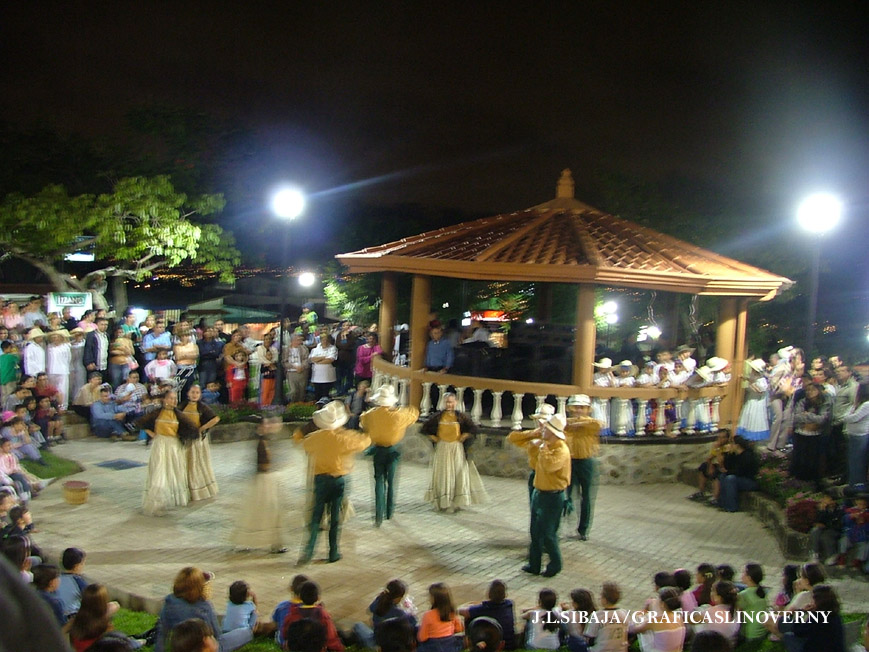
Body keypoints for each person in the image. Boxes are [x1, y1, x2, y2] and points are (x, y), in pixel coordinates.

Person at [298, 401, 371, 564]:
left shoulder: (314, 438)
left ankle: (309, 551)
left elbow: (306, 446)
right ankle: (333, 552)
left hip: (320, 480)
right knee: (335, 518)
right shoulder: (346, 438)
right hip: (339, 480)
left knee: (317, 516)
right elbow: (365, 441)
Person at [360, 384, 419, 526]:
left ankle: (378, 515)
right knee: (391, 481)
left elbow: (363, 421)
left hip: (378, 450)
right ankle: (389, 511)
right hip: (393, 450)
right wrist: (398, 408)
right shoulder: (398, 415)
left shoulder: (370, 415)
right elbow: (414, 413)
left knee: (379, 481)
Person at [153, 567, 252, 652]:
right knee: (245, 632)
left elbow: (162, 634)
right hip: (206, 646)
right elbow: (216, 634)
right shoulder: (204, 606)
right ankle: (253, 627)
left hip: (183, 645)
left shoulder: (169, 603)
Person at [231, 415, 289, 553]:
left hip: (268, 479)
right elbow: (265, 462)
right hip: (264, 480)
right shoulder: (262, 442)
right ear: (259, 427)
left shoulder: (267, 440)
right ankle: (270, 542)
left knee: (269, 512)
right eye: (265, 424)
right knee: (266, 511)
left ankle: (275, 543)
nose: (268, 426)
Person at [522, 414, 571, 577]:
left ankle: (555, 565)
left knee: (549, 534)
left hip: (553, 497)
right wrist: (535, 446)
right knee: (535, 531)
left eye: (546, 429)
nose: (542, 430)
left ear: (553, 433)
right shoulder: (546, 445)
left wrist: (543, 449)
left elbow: (550, 466)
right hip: (539, 493)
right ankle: (534, 565)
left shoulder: (561, 449)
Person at [422, 392, 488, 512]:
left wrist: (464, 435)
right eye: (447, 402)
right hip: (443, 449)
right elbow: (425, 429)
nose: (449, 404)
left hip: (456, 448)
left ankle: (454, 502)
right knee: (443, 474)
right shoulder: (438, 417)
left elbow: (473, 428)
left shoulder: (460, 417)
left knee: (456, 473)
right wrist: (434, 438)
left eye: (451, 402)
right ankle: (442, 501)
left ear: (455, 403)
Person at [138, 391, 198, 516]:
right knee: (159, 471)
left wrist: (182, 438)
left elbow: (192, 429)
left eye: (175, 398)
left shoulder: (179, 415)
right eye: (171, 398)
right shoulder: (157, 413)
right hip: (160, 444)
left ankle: (166, 501)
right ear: (165, 400)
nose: (173, 401)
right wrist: (152, 434)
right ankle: (155, 502)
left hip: (173, 446)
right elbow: (141, 422)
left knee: (171, 472)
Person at [564, 394, 601, 541]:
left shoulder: (591, 423)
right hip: (569, 461)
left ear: (587, 409)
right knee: (566, 495)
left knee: (587, 497)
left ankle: (583, 529)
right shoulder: (565, 422)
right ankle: (562, 525)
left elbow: (596, 425)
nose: (578, 410)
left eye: (582, 407)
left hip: (586, 461)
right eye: (576, 407)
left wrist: (576, 423)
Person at [68, 583, 142, 652]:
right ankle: (138, 642)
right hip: (96, 648)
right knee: (119, 638)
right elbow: (115, 605)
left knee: (119, 636)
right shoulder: (100, 621)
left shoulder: (78, 617)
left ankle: (136, 641)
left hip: (84, 648)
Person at [352, 578, 419, 650]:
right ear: (397, 597)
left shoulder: (379, 600)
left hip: (376, 637)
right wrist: (410, 612)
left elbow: (370, 609)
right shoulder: (398, 613)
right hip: (386, 643)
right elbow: (413, 622)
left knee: (358, 625)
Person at [180, 384, 220, 501]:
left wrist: (202, 429)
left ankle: (197, 489)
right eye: (192, 392)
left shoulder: (202, 407)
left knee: (196, 463)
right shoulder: (183, 405)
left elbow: (215, 419)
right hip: (185, 439)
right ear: (188, 393)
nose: (194, 395)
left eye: (197, 393)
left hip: (196, 441)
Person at [280, 580, 344, 652]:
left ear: (300, 597)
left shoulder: (292, 614)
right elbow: (331, 638)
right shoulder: (323, 615)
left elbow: (285, 634)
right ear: (318, 598)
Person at [791, 381, 832, 482]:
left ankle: (811, 480)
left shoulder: (825, 402)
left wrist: (807, 415)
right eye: (808, 390)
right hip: (801, 432)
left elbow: (822, 419)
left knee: (812, 459)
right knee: (800, 458)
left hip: (816, 435)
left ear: (819, 391)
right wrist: (811, 419)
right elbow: (796, 417)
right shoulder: (803, 401)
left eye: (813, 390)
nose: (809, 392)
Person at [459, 579, 516, 651]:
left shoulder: (484, 608)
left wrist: (469, 605)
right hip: (510, 644)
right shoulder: (509, 604)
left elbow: (460, 611)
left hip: (492, 644)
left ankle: (472, 645)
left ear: (489, 593)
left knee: (469, 617)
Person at [629, 587, 686, 652]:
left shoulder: (654, 621)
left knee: (641, 621)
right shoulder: (679, 617)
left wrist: (643, 611)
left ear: (662, 604)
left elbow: (634, 629)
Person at [717, 435, 759, 512]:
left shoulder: (747, 455)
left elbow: (741, 471)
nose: (730, 445)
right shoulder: (735, 455)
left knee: (730, 479)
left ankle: (732, 506)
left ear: (737, 445)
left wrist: (728, 472)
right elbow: (727, 466)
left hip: (749, 481)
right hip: (739, 477)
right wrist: (728, 454)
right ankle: (723, 503)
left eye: (732, 443)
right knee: (723, 476)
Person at [418, 582, 463, 652]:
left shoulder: (428, 615)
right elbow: (459, 628)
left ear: (434, 599)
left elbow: (422, 637)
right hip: (450, 646)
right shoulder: (452, 612)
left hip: (433, 647)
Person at [585, 581, 629, 652]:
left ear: (605, 600)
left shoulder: (597, 615)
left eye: (601, 596)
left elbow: (590, 639)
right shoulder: (624, 613)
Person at [843, 382, 869, 488]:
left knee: (858, 462)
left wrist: (848, 417)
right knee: (852, 462)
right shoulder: (857, 404)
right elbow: (845, 415)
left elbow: (853, 418)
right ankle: (852, 484)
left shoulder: (867, 404)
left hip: (860, 436)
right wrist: (849, 416)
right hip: (853, 435)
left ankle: (857, 486)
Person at [736, 359, 770, 441]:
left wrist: (752, 385)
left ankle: (753, 435)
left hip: (757, 402)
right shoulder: (755, 378)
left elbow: (760, 391)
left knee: (754, 417)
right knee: (748, 415)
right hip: (751, 400)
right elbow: (751, 379)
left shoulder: (762, 381)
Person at [736, 563, 768, 642]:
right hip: (762, 630)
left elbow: (735, 612)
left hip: (750, 633)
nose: (742, 575)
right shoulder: (762, 591)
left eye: (744, 573)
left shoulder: (744, 595)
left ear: (749, 578)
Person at [56, 546, 89, 619]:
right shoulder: (77, 581)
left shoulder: (55, 578)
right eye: (82, 563)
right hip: (72, 617)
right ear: (76, 566)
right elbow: (91, 599)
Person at [251, 330, 278, 406]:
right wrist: (270, 364)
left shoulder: (274, 349)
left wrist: (271, 364)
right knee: (264, 389)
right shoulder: (260, 348)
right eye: (266, 339)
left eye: (269, 339)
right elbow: (261, 359)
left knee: (272, 389)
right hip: (264, 370)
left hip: (272, 371)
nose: (268, 341)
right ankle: (263, 405)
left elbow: (275, 358)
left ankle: (269, 404)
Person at [309, 333, 338, 401]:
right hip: (317, 376)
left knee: (325, 395)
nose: (325, 342)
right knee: (317, 394)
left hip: (327, 376)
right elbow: (312, 359)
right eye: (323, 340)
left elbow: (330, 360)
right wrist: (324, 357)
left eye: (326, 340)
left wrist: (318, 361)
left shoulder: (332, 348)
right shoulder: (315, 349)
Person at [284, 332, 310, 403]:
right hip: (291, 373)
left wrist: (302, 366)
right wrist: (293, 366)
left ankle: (299, 406)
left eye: (300, 340)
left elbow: (307, 359)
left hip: (302, 372)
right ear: (292, 341)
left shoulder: (304, 349)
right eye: (297, 340)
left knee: (301, 391)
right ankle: (291, 404)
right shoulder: (286, 350)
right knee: (293, 391)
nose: (299, 342)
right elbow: (284, 362)